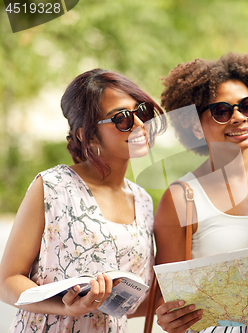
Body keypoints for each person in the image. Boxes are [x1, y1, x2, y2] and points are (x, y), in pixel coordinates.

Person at [0, 68, 171, 332]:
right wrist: (65, 306)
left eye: (143, 112)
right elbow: (8, 281)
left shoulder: (143, 201)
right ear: (88, 136)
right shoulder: (53, 186)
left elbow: (133, 305)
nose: (139, 124)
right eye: (122, 118)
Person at [153, 52, 248, 333]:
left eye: (247, 106)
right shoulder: (181, 199)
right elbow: (169, 296)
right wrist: (170, 316)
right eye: (221, 111)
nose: (239, 118)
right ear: (195, 125)